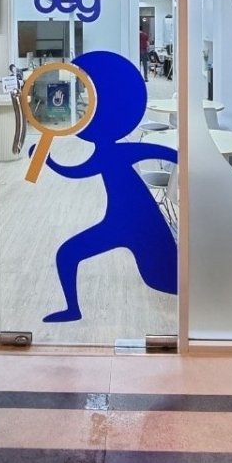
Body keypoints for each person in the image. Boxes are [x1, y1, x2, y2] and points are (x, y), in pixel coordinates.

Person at [31, 50, 177, 322]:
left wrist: (48, 162)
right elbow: (165, 153)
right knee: (68, 254)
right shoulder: (113, 151)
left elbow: (76, 171)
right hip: (125, 219)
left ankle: (73, 310)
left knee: (69, 254)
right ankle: (73, 310)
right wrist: (48, 162)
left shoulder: (114, 151)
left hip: (131, 220)